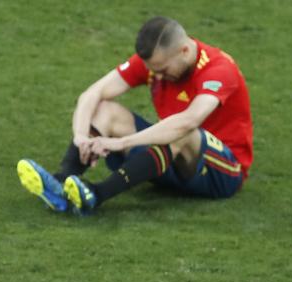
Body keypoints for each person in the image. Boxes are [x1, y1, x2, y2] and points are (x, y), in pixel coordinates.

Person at [16, 15, 252, 215]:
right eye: (152, 70)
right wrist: (80, 136)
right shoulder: (157, 63)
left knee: (182, 133)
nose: (157, 77)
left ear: (184, 50)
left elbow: (188, 121)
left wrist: (121, 142)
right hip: (170, 159)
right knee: (103, 110)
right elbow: (92, 94)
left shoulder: (219, 70)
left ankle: (96, 195)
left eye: (163, 70)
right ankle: (61, 185)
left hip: (221, 173)